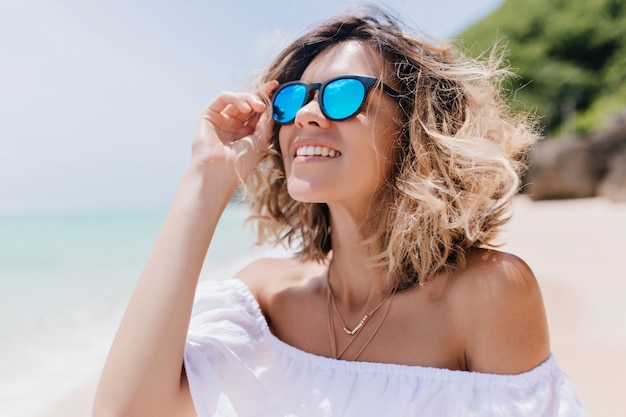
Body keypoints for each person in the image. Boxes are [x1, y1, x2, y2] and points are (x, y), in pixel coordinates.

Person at [94, 6, 588, 417]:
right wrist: (207, 177)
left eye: (343, 94)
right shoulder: (264, 300)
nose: (308, 114)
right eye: (291, 101)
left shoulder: (487, 293)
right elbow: (127, 410)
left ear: (414, 127)